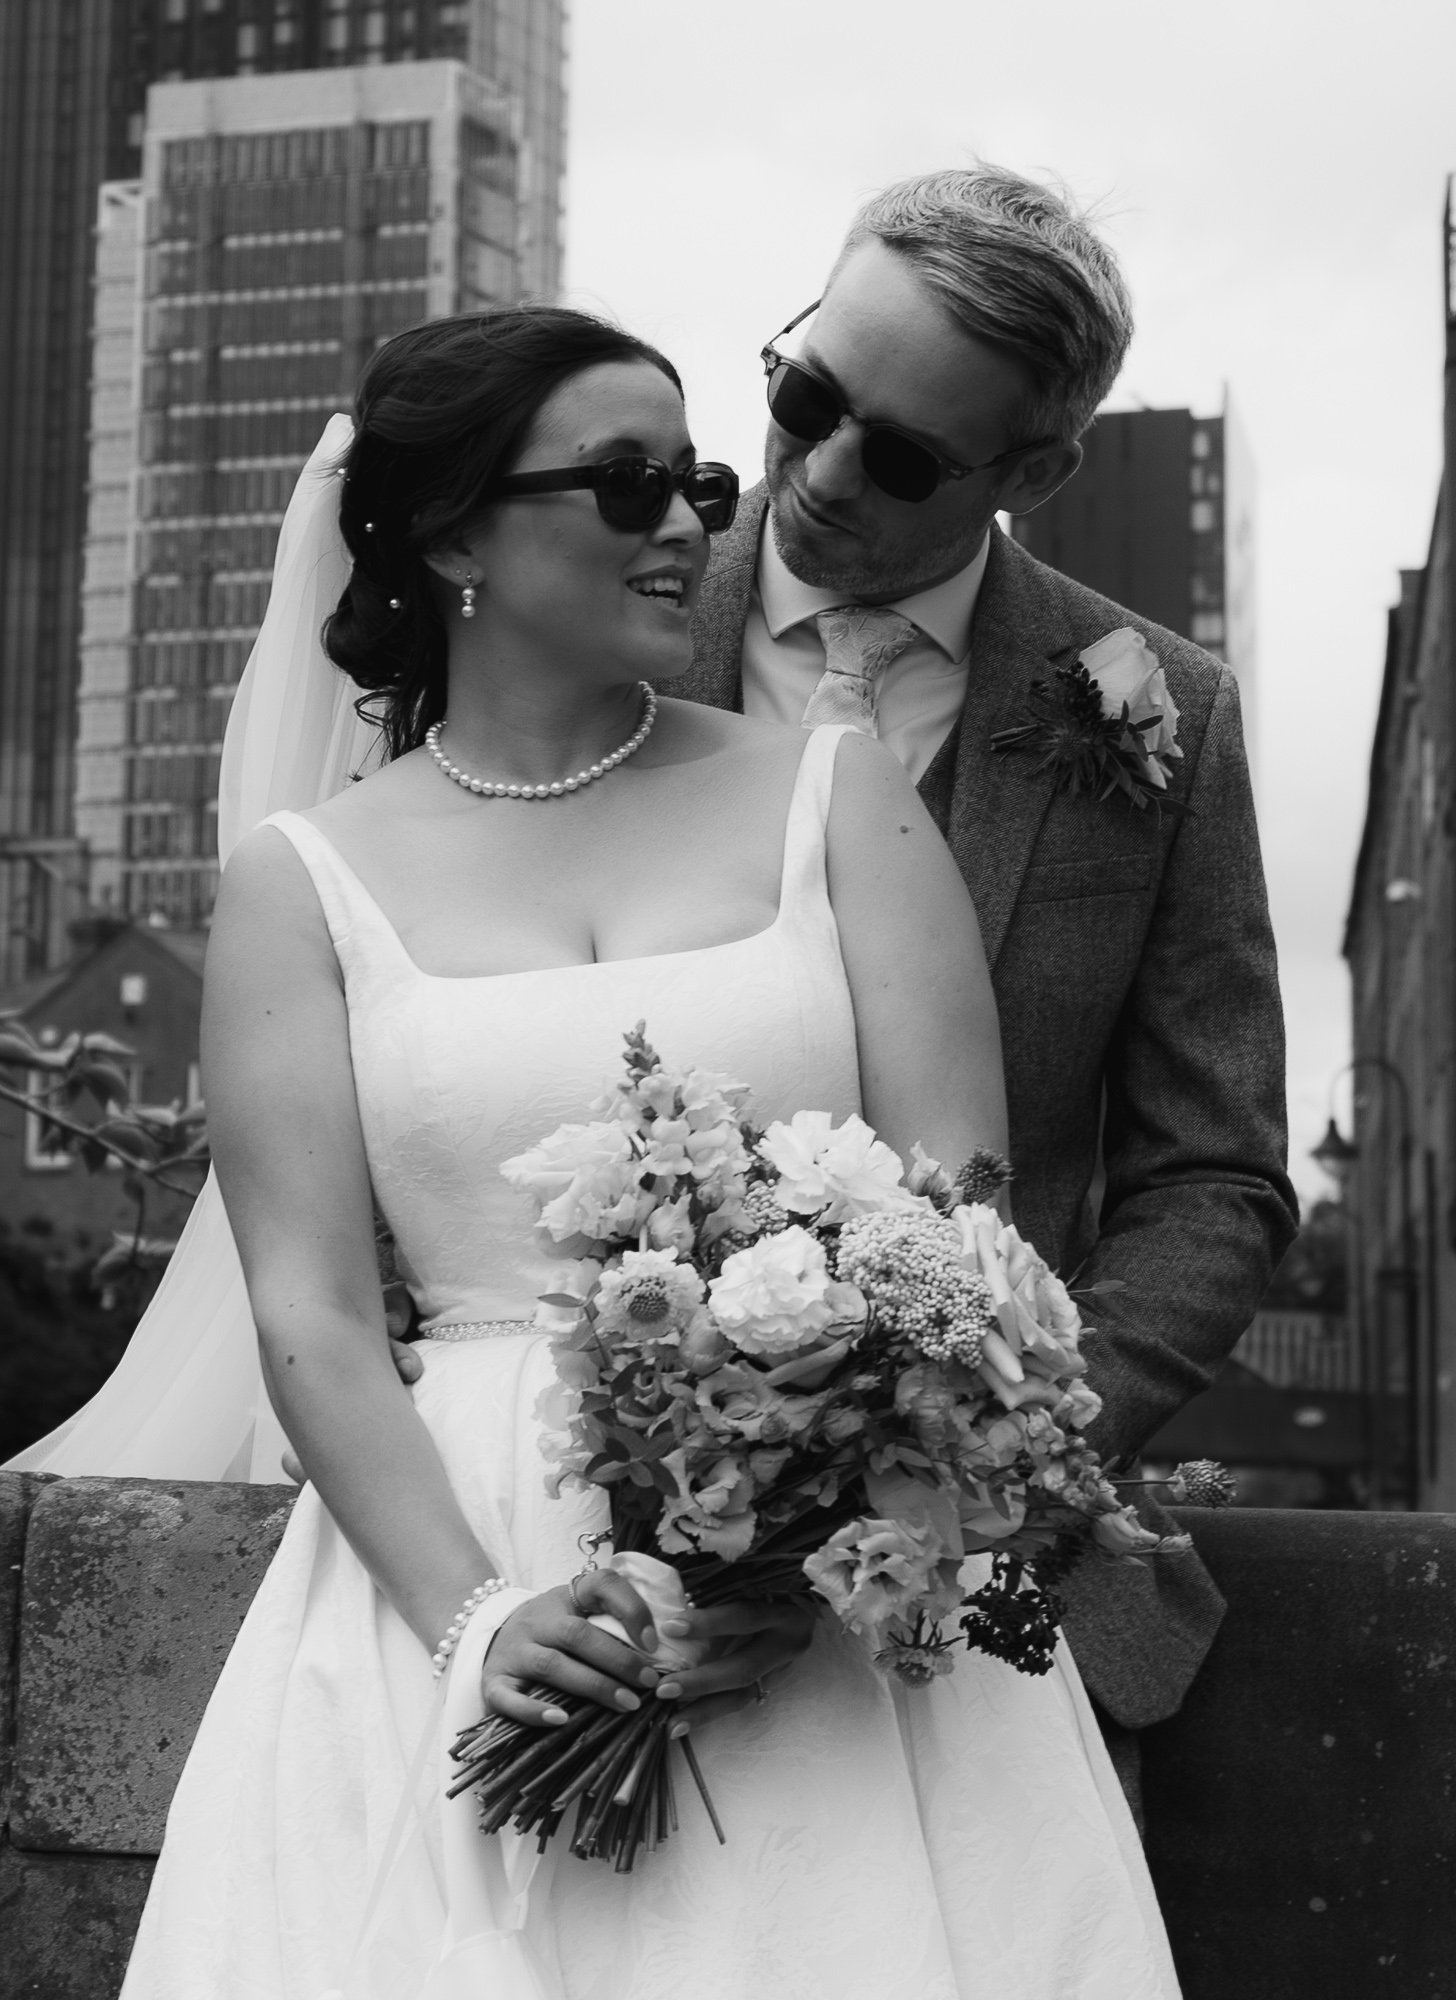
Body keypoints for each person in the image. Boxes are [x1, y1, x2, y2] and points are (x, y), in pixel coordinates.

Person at [115, 307, 1182, 1998]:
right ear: (456, 529)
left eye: (689, 475)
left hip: (834, 1596)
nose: (691, 520)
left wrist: (838, 1551)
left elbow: (963, 1219)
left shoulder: (834, 797)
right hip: (448, 1563)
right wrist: (479, 1625)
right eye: (625, 483)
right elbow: (310, 1307)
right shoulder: (299, 878)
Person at [672, 166, 1299, 1762]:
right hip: (598, 1520)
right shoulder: (606, 618)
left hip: (982, 1589)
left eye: (895, 455)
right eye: (804, 392)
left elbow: (1215, 1174)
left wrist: (985, 1439)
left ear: (1038, 468)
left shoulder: (1165, 707)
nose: (816, 471)